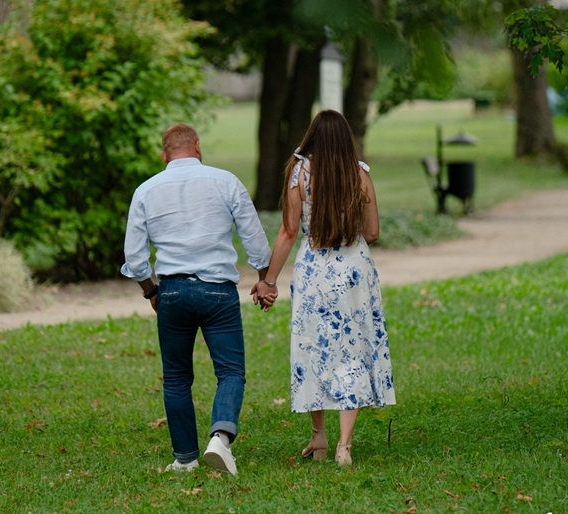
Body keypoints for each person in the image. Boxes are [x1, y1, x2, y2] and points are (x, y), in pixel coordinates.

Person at [121, 123, 271, 476]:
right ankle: (220, 437)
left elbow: (135, 257)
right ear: (198, 147)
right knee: (231, 371)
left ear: (164, 154)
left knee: (175, 378)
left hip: (172, 291)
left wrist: (151, 291)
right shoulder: (226, 182)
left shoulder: (146, 190)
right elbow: (255, 239)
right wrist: (265, 279)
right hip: (218, 291)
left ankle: (185, 457)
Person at [252, 110, 396, 467]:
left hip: (314, 270)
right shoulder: (359, 174)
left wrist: (269, 280)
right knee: (352, 351)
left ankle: (318, 437)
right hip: (353, 271)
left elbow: (287, 232)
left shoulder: (298, 173)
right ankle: (344, 446)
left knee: (312, 349)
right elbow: (374, 231)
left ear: (312, 137)